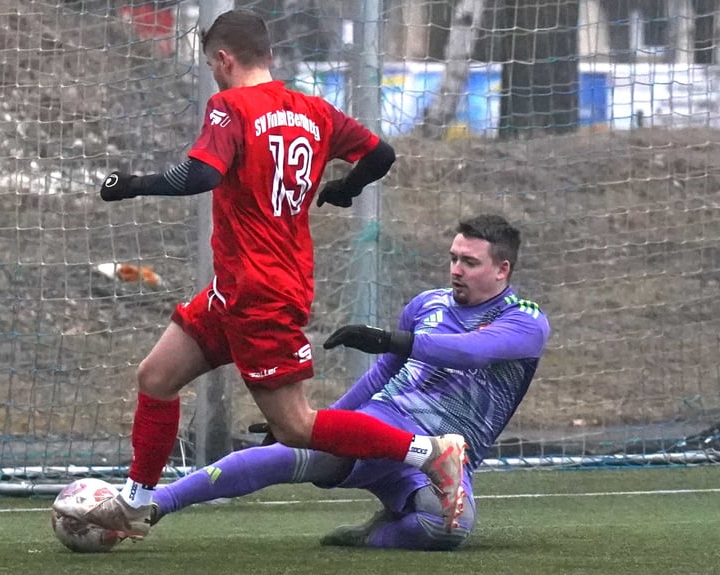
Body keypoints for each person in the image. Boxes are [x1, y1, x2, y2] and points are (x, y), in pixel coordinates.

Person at [54, 9, 468, 539]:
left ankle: (432, 452)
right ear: (268, 54)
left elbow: (200, 173)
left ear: (224, 59)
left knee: (295, 427)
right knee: (155, 379)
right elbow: (380, 154)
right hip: (237, 289)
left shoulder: (230, 106)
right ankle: (134, 502)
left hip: (261, 293)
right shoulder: (314, 110)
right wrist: (346, 188)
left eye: (211, 64)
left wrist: (131, 185)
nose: (213, 74)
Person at [146, 214, 551, 550]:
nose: (455, 270)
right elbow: (382, 373)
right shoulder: (427, 304)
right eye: (453, 258)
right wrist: (312, 428)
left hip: (444, 458)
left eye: (470, 263)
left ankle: (374, 533)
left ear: (502, 270)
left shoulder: (525, 319)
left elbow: (472, 351)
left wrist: (388, 339)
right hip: (379, 425)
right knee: (282, 457)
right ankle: (150, 505)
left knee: (448, 529)